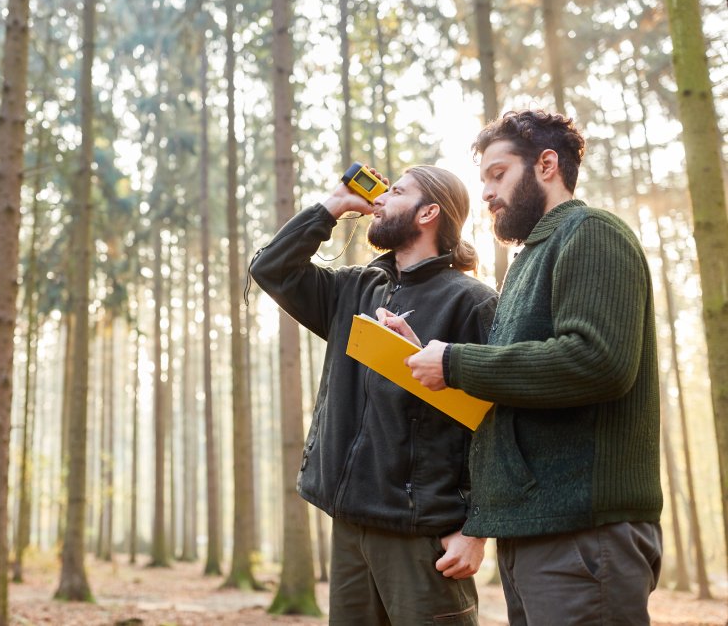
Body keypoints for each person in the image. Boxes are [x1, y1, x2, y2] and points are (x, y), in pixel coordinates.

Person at [401, 110, 663, 625]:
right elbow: (512, 384)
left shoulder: (590, 233)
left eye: (498, 174)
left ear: (547, 164)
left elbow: (597, 361)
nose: (488, 194)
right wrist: (421, 354)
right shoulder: (527, 263)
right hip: (533, 530)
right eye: (483, 181)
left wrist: (455, 362)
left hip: (584, 533)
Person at [250, 164, 498, 624]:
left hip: (423, 534)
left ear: (428, 213)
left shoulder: (472, 301)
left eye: (396, 192)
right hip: (350, 524)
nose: (379, 199)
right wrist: (332, 205)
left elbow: (494, 422)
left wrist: (476, 529)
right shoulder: (353, 289)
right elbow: (271, 268)